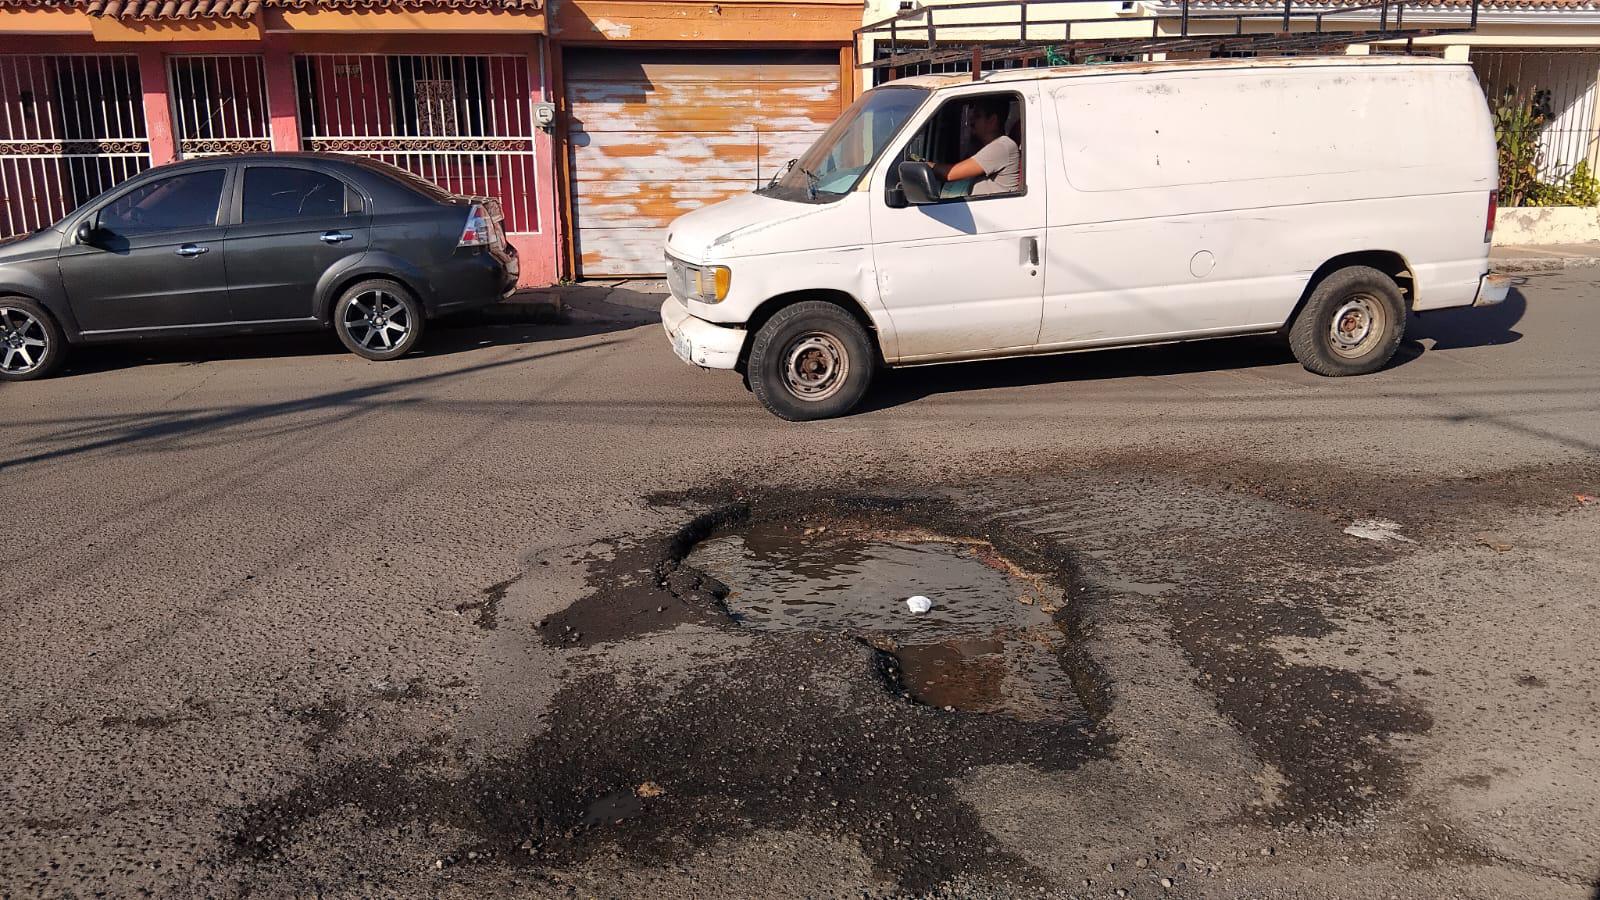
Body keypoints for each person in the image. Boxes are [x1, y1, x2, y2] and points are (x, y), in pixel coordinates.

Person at [929, 96, 1020, 198]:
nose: (970, 120)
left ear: (992, 121)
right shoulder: (981, 146)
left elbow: (949, 173)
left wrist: (926, 166)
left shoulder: (1002, 146)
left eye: (977, 116)